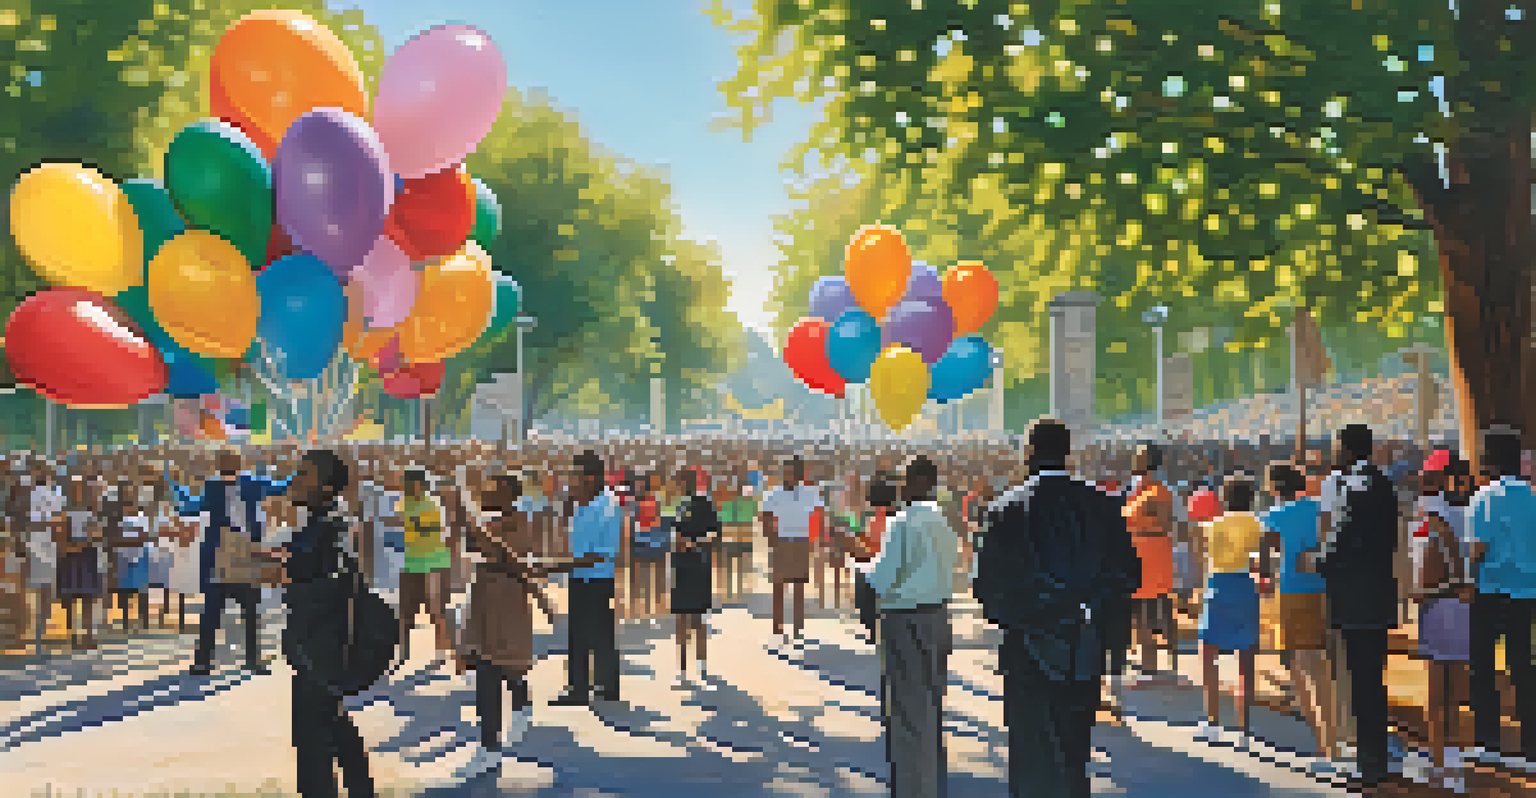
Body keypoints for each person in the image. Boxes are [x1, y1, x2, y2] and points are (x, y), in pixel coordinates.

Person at [976, 419, 1140, 798]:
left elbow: (987, 588)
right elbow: (1127, 575)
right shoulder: (1103, 504)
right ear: (1067, 453)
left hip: (1027, 645)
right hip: (1085, 644)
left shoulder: (1007, 508)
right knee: (1073, 751)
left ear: (1029, 452)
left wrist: (1031, 614)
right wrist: (1093, 617)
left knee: (1032, 752)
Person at [457, 472, 587, 779]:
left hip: (508, 603)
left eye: (494, 490)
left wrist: (540, 596)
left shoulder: (518, 525)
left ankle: (499, 733)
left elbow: (507, 559)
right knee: (489, 668)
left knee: (501, 666)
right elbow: (476, 547)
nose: (487, 494)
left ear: (510, 496)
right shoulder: (488, 523)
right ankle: (492, 741)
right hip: (485, 602)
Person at [260, 450, 375, 797]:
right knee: (332, 724)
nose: (294, 479)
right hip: (311, 642)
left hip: (323, 645)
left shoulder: (334, 525)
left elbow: (341, 582)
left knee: (312, 736)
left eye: (304, 474)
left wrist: (288, 577)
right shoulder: (316, 522)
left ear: (326, 487)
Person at [859, 455, 958, 798]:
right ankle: (931, 787)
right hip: (938, 617)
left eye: (904, 479)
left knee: (906, 716)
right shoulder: (943, 520)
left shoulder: (902, 522)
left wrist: (860, 563)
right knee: (930, 711)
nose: (899, 486)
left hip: (906, 620)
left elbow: (884, 579)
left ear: (918, 482)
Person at [1307, 423, 1400, 788]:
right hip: (1377, 592)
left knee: (1361, 682)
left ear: (1347, 448)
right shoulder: (1384, 483)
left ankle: (1370, 766)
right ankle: (1375, 759)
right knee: (1371, 681)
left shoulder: (1354, 486)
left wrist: (1318, 561)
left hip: (1356, 596)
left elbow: (1342, 538)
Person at [168, 450, 291, 675]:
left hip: (245, 553)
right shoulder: (213, 487)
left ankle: (252, 660)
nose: (224, 466)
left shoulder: (253, 484)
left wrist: (301, 472)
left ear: (237, 464)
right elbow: (191, 507)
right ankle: (204, 661)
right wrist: (174, 485)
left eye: (227, 462)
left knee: (250, 611)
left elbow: (282, 487)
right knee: (213, 611)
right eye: (222, 463)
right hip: (220, 556)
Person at [1466, 426, 1536, 764]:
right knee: (1524, 666)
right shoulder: (1533, 497)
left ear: (1489, 459)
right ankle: (1531, 747)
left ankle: (1487, 743)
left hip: (1490, 589)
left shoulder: (1484, 497)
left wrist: (1468, 573)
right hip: (1527, 591)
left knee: (1482, 665)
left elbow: (1477, 547)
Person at [1256, 462, 1333, 759]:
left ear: (1275, 486)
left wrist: (1262, 575)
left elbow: (1266, 556)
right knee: (1322, 660)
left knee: (1298, 664)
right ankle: (1332, 732)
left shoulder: (1273, 516)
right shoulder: (1316, 508)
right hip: (1324, 587)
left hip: (1292, 589)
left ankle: (1318, 734)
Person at [1411, 451, 1472, 793]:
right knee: (1457, 689)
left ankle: (1437, 760)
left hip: (1440, 600)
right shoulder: (1473, 508)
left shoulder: (1436, 511)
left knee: (1436, 689)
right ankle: (1456, 756)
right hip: (1464, 603)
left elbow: (1439, 546)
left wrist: (1426, 589)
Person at [1194, 473, 1264, 746]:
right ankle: (1244, 730)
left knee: (1208, 654)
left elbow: (1205, 560)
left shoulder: (1211, 526)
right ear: (1251, 498)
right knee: (1246, 660)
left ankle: (1212, 722)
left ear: (1224, 498)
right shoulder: (1259, 525)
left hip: (1218, 585)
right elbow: (1263, 564)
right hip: (1245, 585)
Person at [552, 449, 621, 706]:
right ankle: (599, 685)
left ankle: (585, 688)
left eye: (575, 476)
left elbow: (599, 554)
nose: (570, 481)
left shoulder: (607, 505)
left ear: (589, 479)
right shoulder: (583, 505)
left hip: (596, 578)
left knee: (592, 634)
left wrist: (553, 566)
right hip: (579, 575)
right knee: (584, 634)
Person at [1122, 443, 1178, 682]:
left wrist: (1134, 526)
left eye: (1140, 455)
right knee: (1139, 611)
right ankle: (1147, 660)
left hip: (1150, 554)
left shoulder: (1159, 491)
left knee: (1146, 610)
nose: (1135, 458)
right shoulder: (1139, 490)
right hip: (1137, 552)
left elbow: (1165, 525)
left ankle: (1151, 663)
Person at [396, 467, 455, 669]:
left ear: (420, 484)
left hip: (433, 563)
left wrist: (410, 523)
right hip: (409, 562)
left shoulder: (432, 503)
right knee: (405, 610)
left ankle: (440, 651)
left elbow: (435, 528)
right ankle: (403, 650)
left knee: (436, 610)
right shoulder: (403, 503)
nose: (407, 487)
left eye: (411, 483)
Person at [760, 457, 822, 645]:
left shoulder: (810, 493)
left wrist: (813, 540)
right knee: (778, 588)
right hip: (781, 542)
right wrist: (771, 540)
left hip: (801, 542)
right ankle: (778, 630)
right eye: (785, 471)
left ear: (799, 474)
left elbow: (818, 515)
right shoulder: (773, 494)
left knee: (799, 588)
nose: (787, 475)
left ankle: (798, 629)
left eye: (791, 471)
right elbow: (765, 517)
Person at [670, 465, 719, 689]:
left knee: (697, 619)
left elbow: (715, 533)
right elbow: (675, 533)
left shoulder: (704, 504)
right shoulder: (679, 505)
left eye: (685, 479)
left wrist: (697, 543)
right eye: (681, 480)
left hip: (699, 565)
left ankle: (702, 666)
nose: (682, 483)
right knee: (681, 619)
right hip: (681, 566)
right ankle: (681, 670)